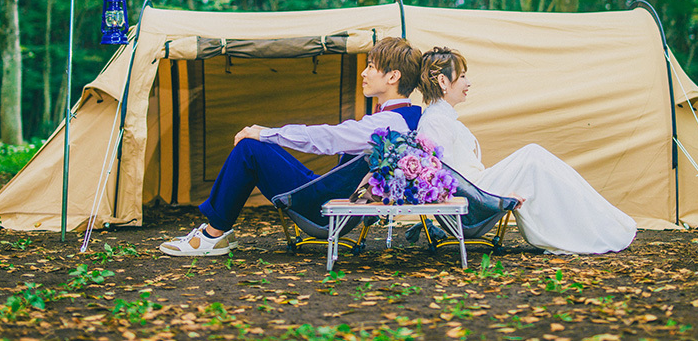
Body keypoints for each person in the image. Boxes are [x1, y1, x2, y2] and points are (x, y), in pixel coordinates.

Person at [159, 36, 423, 257]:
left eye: (371, 66)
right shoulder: (409, 117)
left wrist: (267, 133)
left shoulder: (389, 123)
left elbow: (326, 138)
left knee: (249, 149)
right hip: (330, 189)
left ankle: (213, 234)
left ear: (393, 77)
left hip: (325, 204)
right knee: (255, 145)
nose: (364, 73)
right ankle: (219, 232)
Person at [417, 46, 637, 254]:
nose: (469, 82)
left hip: (477, 189)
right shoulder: (435, 121)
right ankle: (591, 227)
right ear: (443, 81)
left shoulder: (443, 118)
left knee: (536, 158)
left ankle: (597, 221)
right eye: (462, 75)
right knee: (532, 156)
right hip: (472, 202)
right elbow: (445, 181)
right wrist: (496, 197)